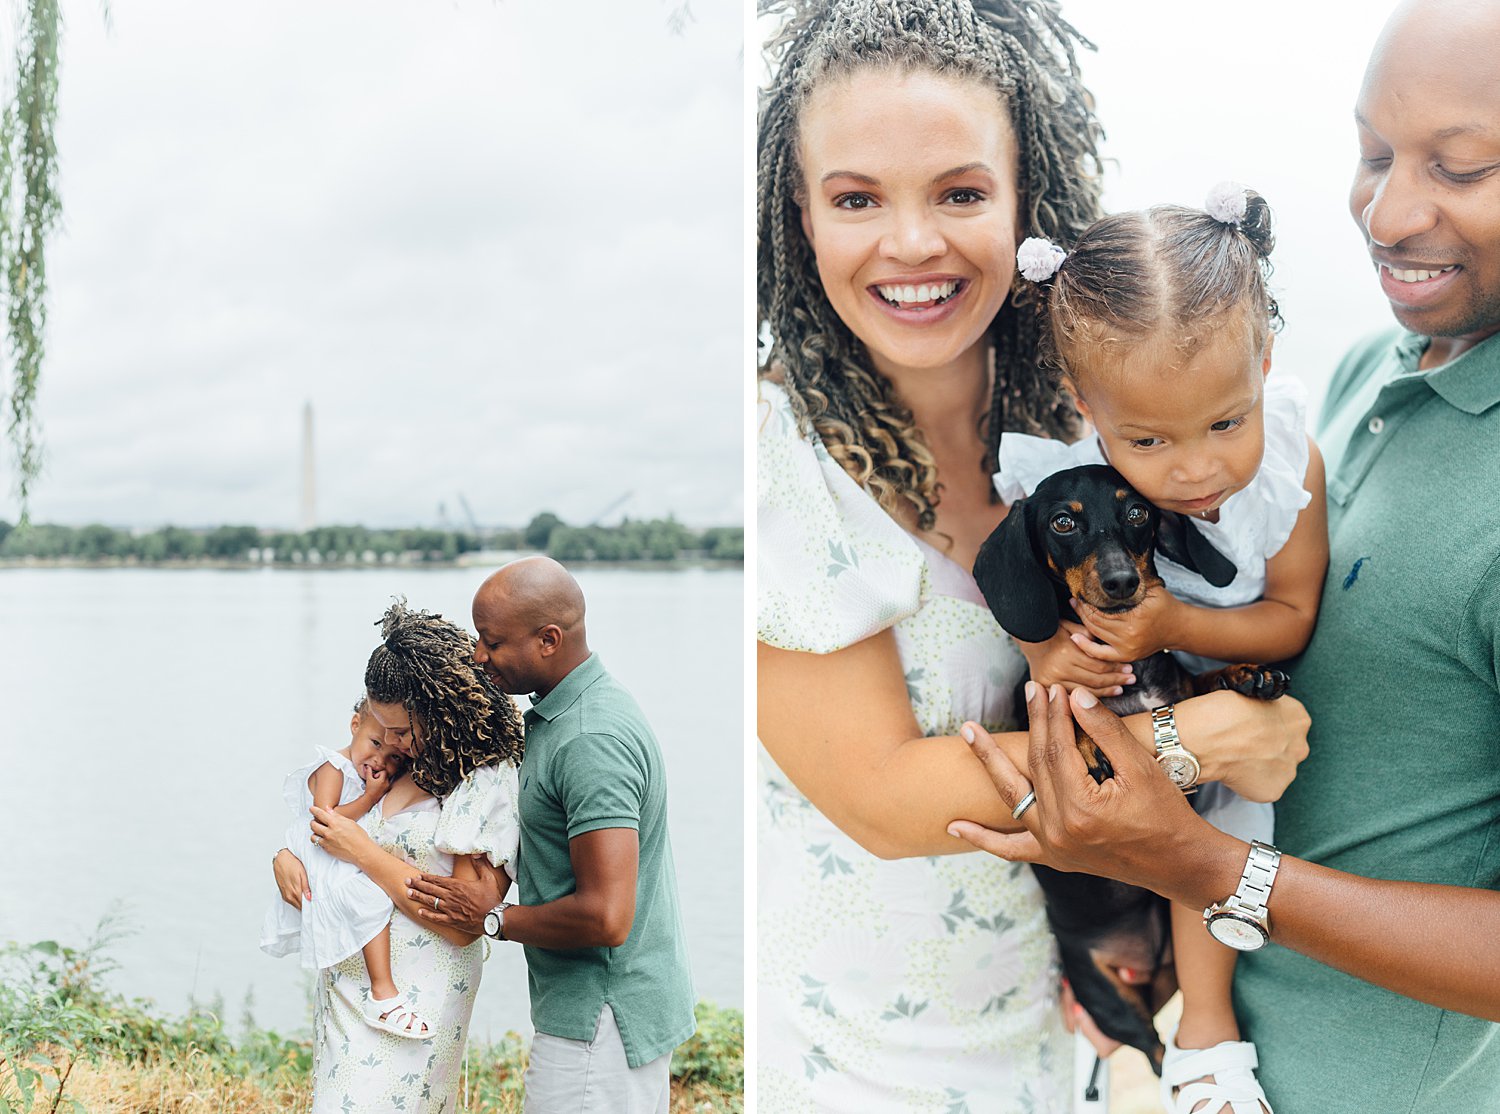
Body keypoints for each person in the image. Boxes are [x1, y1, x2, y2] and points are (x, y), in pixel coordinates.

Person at [754, 0, 1310, 1108]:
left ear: (1027, 203)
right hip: (868, 1058)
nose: (912, 243)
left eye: (961, 192)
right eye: (856, 198)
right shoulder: (777, 459)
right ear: (799, 216)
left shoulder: (1081, 436)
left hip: (1063, 1028)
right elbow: (886, 798)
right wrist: (1211, 734)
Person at [949, 1, 1500, 1109]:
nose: (1389, 213)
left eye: (1465, 165)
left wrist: (1202, 867)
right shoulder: (1363, 381)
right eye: (1373, 152)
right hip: (1179, 1055)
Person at [994, 188, 1328, 1112]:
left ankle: (1208, 1043)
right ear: (1087, 408)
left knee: (1220, 839)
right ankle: (1146, 1046)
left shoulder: (1290, 464)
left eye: (1227, 422)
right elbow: (1027, 591)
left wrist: (1176, 626)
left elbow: (1293, 616)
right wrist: (1045, 655)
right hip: (1147, 729)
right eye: (1146, 439)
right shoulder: (1068, 488)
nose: (1193, 468)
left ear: (1265, 366)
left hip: (1240, 694)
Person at [409, 557, 694, 1114]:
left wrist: (491, 917)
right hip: (594, 1010)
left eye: (492, 642)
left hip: (604, 1017)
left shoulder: (590, 739)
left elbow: (608, 915)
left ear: (548, 640)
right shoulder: (562, 715)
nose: (478, 656)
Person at [271, 600, 525, 1114]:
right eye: (381, 729)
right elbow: (333, 827)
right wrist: (287, 855)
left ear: (444, 713)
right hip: (347, 986)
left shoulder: (484, 779)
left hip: (415, 998)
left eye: (403, 732)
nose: (389, 743)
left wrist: (361, 851)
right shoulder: (395, 763)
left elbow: (466, 920)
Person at [260, 698, 433, 1039]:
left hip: (337, 853)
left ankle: (380, 991)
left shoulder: (370, 775)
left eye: (392, 756)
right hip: (320, 848)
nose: (379, 759)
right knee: (371, 899)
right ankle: (383, 992)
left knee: (372, 899)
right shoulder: (333, 767)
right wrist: (371, 796)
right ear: (355, 726)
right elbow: (326, 821)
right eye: (374, 743)